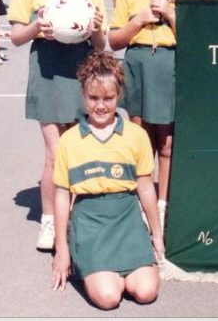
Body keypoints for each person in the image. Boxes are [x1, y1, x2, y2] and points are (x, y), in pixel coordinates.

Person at [8, 0, 106, 251]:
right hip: (47, 68)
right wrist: (37, 27)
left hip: (81, 69)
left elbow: (100, 45)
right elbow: (15, 36)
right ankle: (50, 221)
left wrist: (96, 29)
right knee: (55, 151)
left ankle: (75, 214)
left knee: (77, 149)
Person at [51, 51, 163, 310]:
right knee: (108, 297)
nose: (100, 106)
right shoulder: (69, 140)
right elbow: (62, 196)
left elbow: (146, 187)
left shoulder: (135, 135)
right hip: (90, 221)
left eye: (108, 98)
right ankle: (91, 263)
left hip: (126, 217)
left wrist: (156, 234)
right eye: (93, 98)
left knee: (146, 292)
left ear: (118, 96)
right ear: (83, 96)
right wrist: (61, 250)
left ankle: (122, 267)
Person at [109, 0, 194, 233]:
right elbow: (114, 41)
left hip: (171, 67)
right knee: (141, 141)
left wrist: (171, 14)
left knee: (167, 144)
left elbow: (196, 39)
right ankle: (140, 201)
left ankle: (163, 202)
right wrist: (139, 20)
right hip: (138, 68)